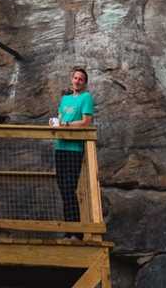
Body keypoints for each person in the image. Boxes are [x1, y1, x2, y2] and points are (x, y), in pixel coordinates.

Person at [50, 65, 94, 224]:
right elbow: (60, 118)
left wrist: (66, 125)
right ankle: (71, 230)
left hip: (74, 148)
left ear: (85, 83)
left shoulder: (86, 97)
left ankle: (75, 230)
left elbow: (86, 121)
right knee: (63, 189)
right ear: (72, 79)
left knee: (69, 188)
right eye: (76, 78)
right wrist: (55, 123)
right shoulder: (65, 99)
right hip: (60, 146)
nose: (77, 81)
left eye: (81, 79)